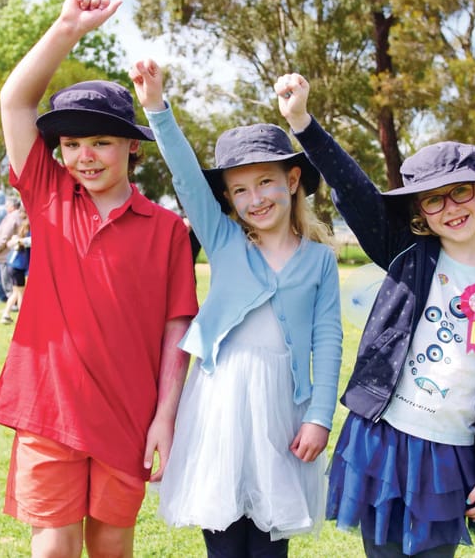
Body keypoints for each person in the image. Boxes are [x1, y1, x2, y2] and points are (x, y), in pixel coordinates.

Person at [275, 74, 475, 557]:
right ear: (421, 212)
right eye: (434, 200)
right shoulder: (407, 256)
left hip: (449, 452)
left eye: (461, 192)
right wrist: (303, 123)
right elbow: (354, 189)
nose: (451, 208)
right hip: (384, 438)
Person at [0, 0, 199, 557]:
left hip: (127, 416)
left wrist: (164, 419)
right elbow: (15, 100)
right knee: (53, 547)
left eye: (101, 141)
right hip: (47, 410)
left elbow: (177, 331)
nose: (85, 156)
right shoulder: (49, 194)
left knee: (110, 547)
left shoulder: (168, 230)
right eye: (72, 144)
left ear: (133, 145)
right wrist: (67, 27)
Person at [131, 61, 343, 556]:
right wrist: (157, 108)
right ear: (226, 198)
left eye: (266, 182)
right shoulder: (225, 241)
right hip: (220, 404)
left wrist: (319, 416)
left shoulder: (318, 262)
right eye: (240, 190)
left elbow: (327, 341)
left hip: (282, 412)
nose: (255, 198)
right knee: (223, 538)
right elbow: (185, 176)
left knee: (270, 542)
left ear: (292, 181)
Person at [0, 192, 23, 309]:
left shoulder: (12, 217)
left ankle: (12, 306)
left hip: (5, 254)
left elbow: (5, 234)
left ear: (12, 206)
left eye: (7, 205)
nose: (5, 207)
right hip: (10, 253)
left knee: (8, 281)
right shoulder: (17, 215)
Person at [0, 209, 30, 325]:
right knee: (20, 293)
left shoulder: (20, 233)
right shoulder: (26, 235)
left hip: (12, 266)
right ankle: (22, 319)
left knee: (16, 292)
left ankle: (6, 314)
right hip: (17, 267)